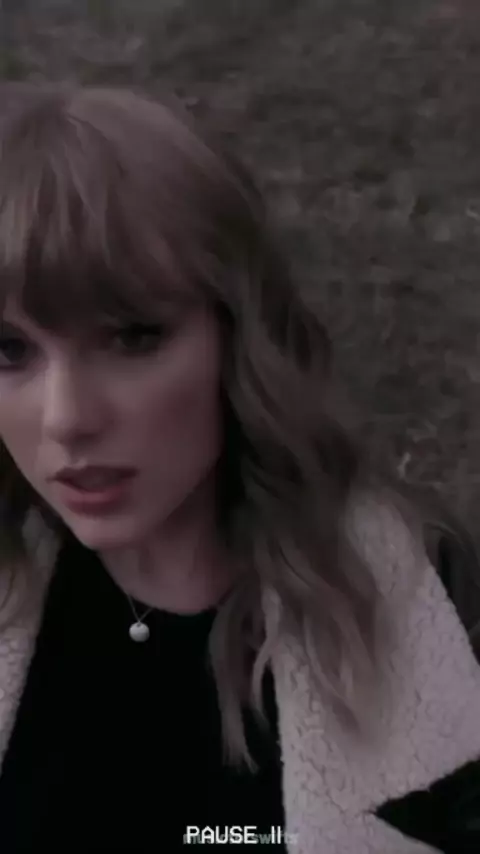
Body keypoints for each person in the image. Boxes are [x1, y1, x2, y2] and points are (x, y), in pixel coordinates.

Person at [0, 82, 478, 854]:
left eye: (132, 337)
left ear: (238, 337)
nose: (65, 418)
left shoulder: (413, 590)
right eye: (9, 350)